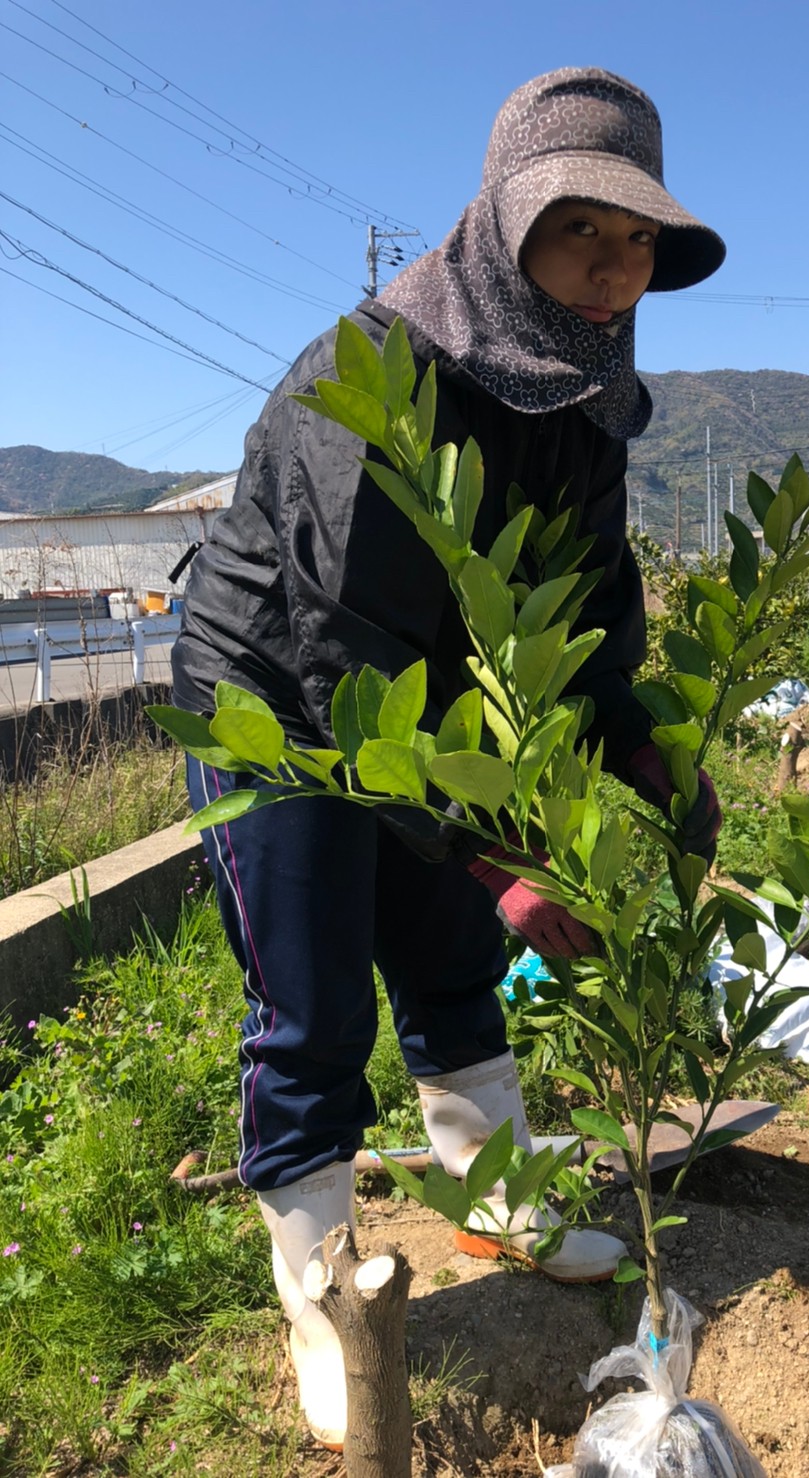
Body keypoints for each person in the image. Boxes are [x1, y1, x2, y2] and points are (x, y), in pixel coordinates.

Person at [171, 66, 725, 1450]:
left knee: (450, 960)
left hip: (438, 714)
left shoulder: (589, 395)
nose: (614, 272)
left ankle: (498, 1206)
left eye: (639, 242)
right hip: (286, 705)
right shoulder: (378, 371)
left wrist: (647, 746)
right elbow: (342, 653)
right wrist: (493, 849)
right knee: (311, 1004)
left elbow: (587, 614)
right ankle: (324, 1298)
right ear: (505, 228)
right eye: (584, 232)